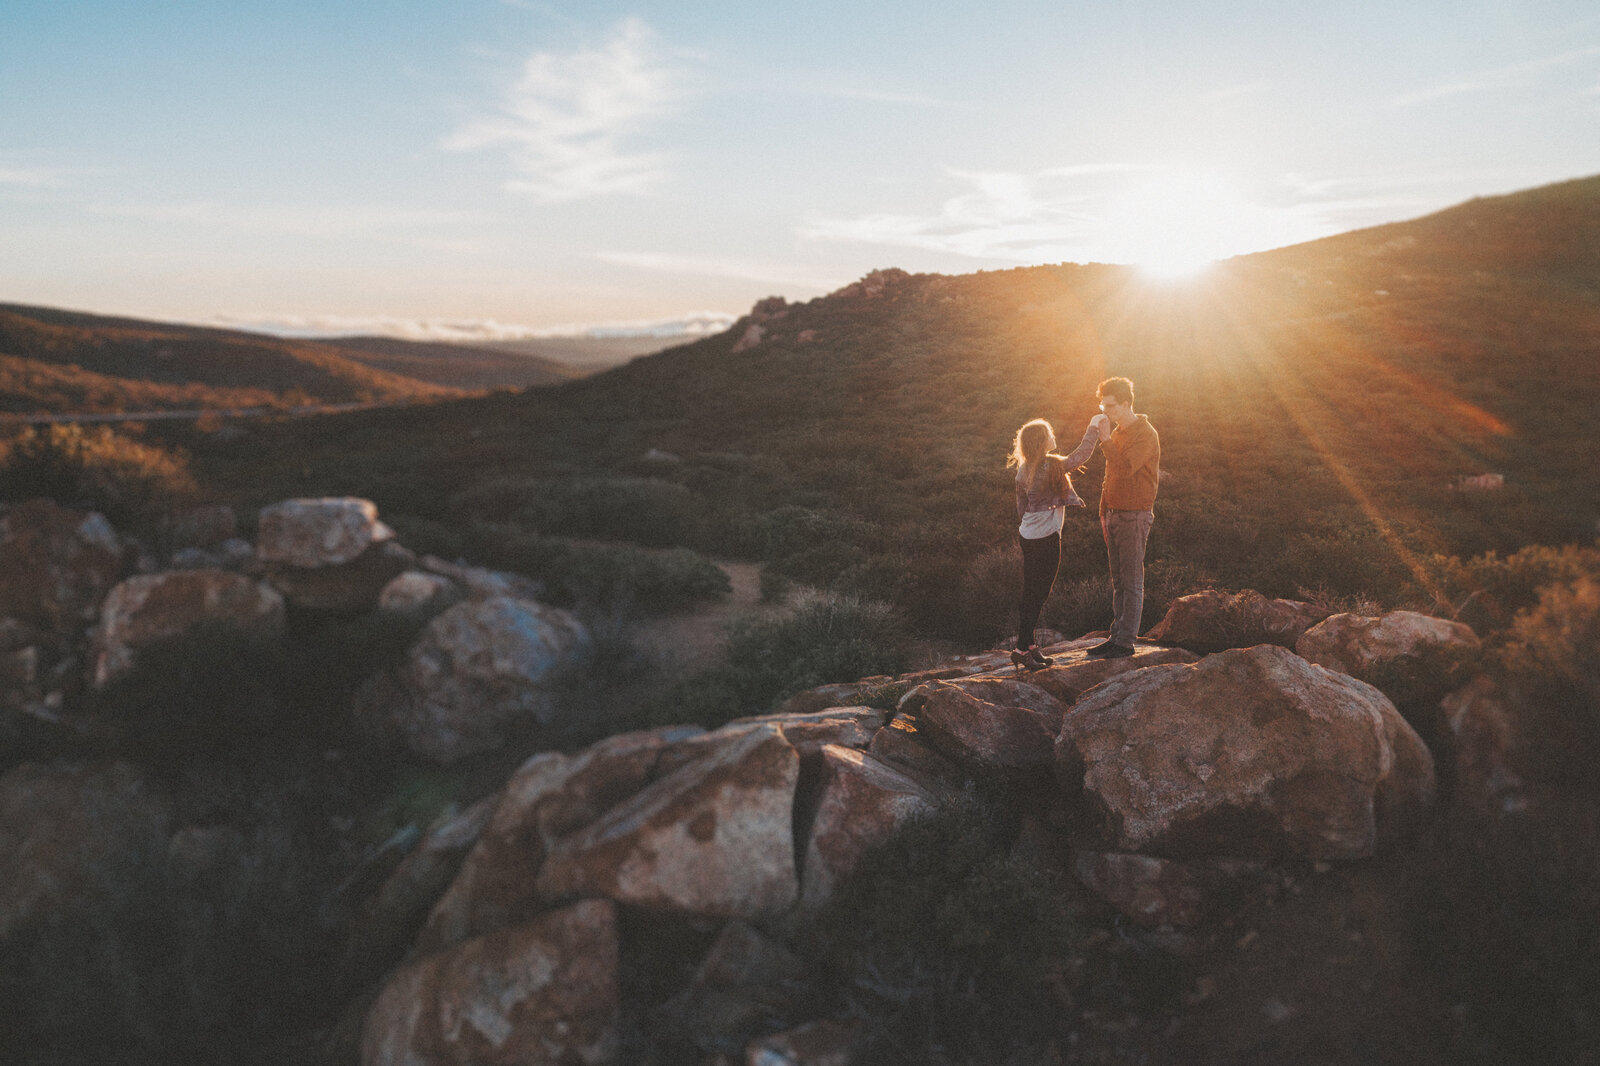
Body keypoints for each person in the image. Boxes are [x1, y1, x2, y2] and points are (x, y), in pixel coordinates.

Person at [1007, 416, 1104, 670]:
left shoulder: (1023, 468)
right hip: (1046, 536)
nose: (1053, 436)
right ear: (1041, 442)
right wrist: (1093, 427)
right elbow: (1081, 456)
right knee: (1038, 594)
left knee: (1032, 592)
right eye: (1049, 433)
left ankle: (1028, 646)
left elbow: (1021, 507)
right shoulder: (1051, 465)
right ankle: (1020, 649)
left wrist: (1030, 523)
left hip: (1028, 535)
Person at [1085, 376, 1160, 659]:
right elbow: (1110, 476)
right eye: (1103, 406)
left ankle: (1126, 642)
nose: (1106, 412)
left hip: (1134, 515)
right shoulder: (1118, 432)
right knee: (1118, 580)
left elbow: (1125, 468)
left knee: (1131, 580)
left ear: (1126, 403)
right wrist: (1103, 511)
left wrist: (1104, 440)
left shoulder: (1144, 433)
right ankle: (1116, 636)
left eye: (1111, 406)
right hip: (1114, 514)